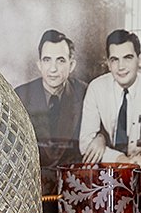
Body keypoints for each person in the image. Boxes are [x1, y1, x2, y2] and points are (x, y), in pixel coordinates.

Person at [78, 29, 141, 167]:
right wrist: (119, 159)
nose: (121, 67)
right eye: (115, 60)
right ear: (108, 63)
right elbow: (85, 142)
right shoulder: (96, 88)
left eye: (128, 58)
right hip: (109, 170)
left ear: (140, 59)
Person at [14, 30, 88, 195]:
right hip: (32, 189)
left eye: (60, 60)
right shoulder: (20, 95)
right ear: (39, 64)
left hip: (74, 188)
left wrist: (100, 138)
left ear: (72, 64)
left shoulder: (86, 93)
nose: (53, 69)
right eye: (47, 60)